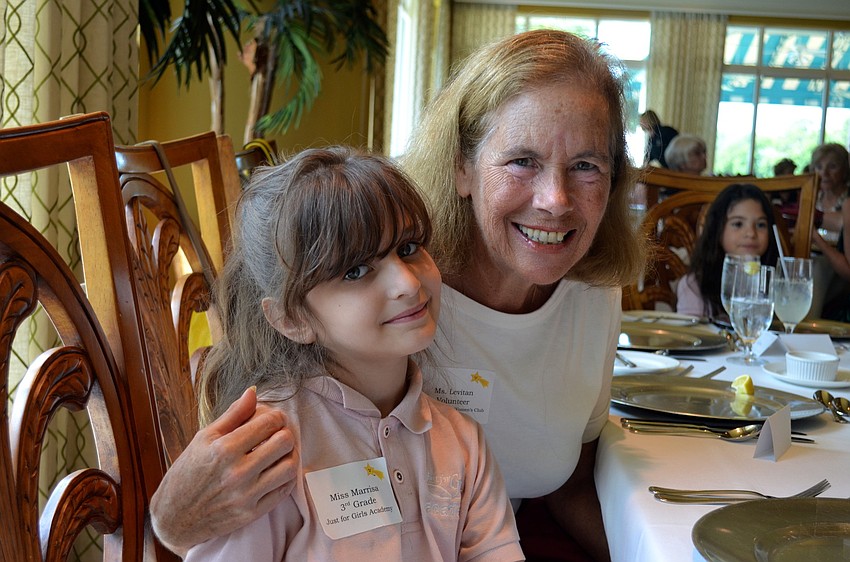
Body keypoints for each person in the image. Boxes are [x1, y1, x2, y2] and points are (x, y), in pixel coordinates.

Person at [150, 29, 646, 562]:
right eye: (522, 160)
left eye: (586, 165)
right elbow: (206, 511)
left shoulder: (465, 436)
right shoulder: (293, 432)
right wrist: (168, 522)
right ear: (462, 167)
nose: (555, 199)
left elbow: (568, 485)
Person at [184, 146, 522, 561]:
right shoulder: (268, 452)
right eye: (356, 271)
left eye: (410, 247)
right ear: (291, 319)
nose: (406, 283)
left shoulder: (463, 441)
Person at [677, 183, 780, 319]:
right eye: (738, 224)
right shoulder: (694, 286)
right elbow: (689, 335)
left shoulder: (778, 284)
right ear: (718, 230)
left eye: (761, 225)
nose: (751, 233)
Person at [810, 142, 850, 236]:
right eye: (819, 167)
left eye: (832, 167)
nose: (824, 173)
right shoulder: (811, 198)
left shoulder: (848, 199)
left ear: (844, 170)